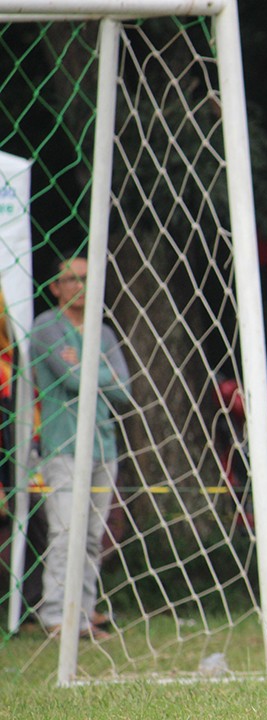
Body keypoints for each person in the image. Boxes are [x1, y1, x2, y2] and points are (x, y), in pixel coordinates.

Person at [30, 256, 131, 640]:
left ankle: (83, 615)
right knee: (66, 531)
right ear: (56, 287)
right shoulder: (45, 327)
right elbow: (72, 381)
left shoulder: (103, 333)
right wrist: (98, 369)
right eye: (71, 279)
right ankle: (56, 615)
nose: (79, 286)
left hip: (104, 447)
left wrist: (89, 367)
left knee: (91, 537)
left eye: (86, 279)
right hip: (63, 444)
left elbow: (124, 389)